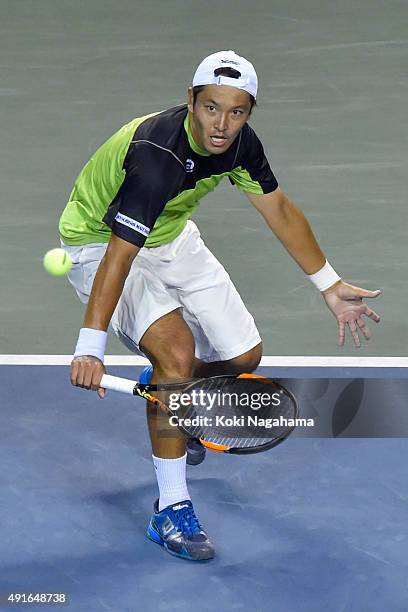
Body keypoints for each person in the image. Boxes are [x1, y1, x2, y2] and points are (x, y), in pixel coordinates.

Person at [59, 50, 381, 561]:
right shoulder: (155, 155)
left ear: (250, 111)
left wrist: (328, 283)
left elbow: (276, 206)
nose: (222, 124)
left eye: (237, 111)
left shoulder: (240, 145)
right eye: (211, 108)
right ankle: (171, 507)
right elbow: (120, 255)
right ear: (190, 100)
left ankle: (166, 393)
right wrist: (89, 346)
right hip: (100, 242)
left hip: (169, 236)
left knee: (244, 356)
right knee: (177, 354)